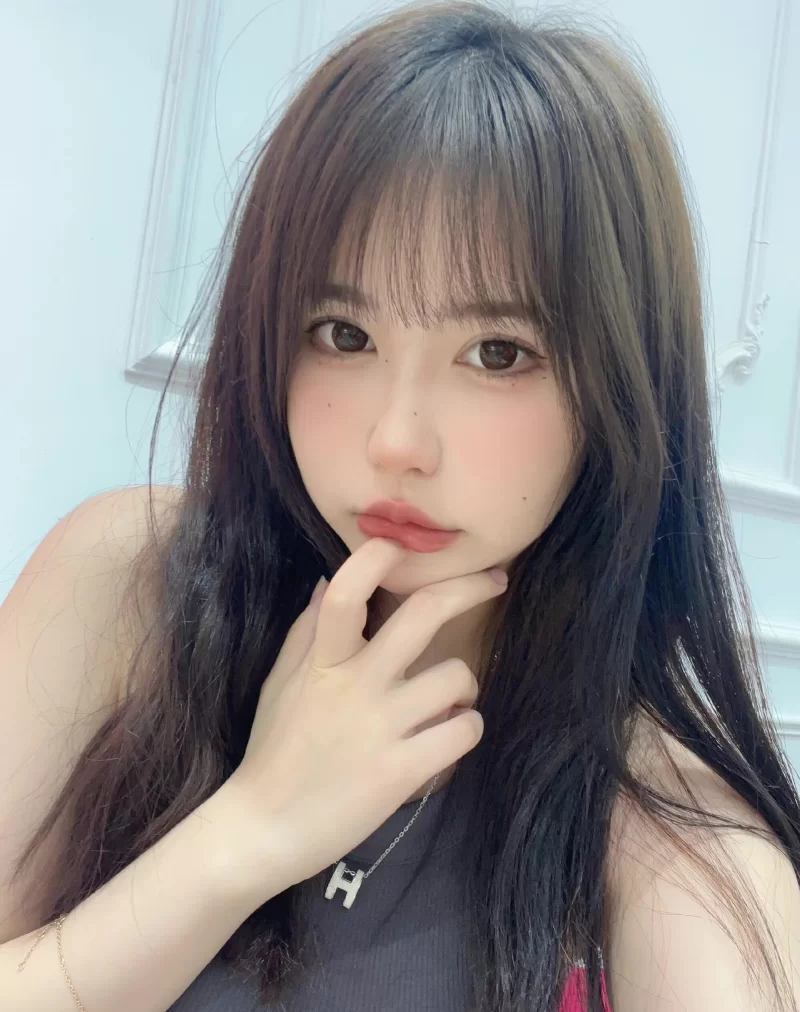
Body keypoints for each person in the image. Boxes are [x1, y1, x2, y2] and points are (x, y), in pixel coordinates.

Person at [1, 1, 799, 1009]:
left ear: (620, 389)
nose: (396, 441)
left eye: (497, 353)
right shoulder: (131, 585)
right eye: (343, 333)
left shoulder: (660, 814)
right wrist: (250, 828)